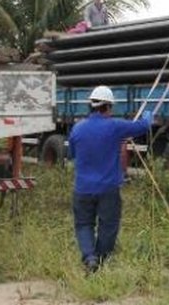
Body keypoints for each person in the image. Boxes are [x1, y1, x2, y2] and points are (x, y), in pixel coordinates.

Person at [68, 85, 152, 273]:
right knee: (108, 225)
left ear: (91, 105)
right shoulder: (114, 126)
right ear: (108, 107)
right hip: (108, 189)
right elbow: (142, 126)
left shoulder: (77, 128)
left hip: (82, 189)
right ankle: (101, 259)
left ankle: (90, 258)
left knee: (83, 224)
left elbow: (72, 154)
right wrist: (147, 116)